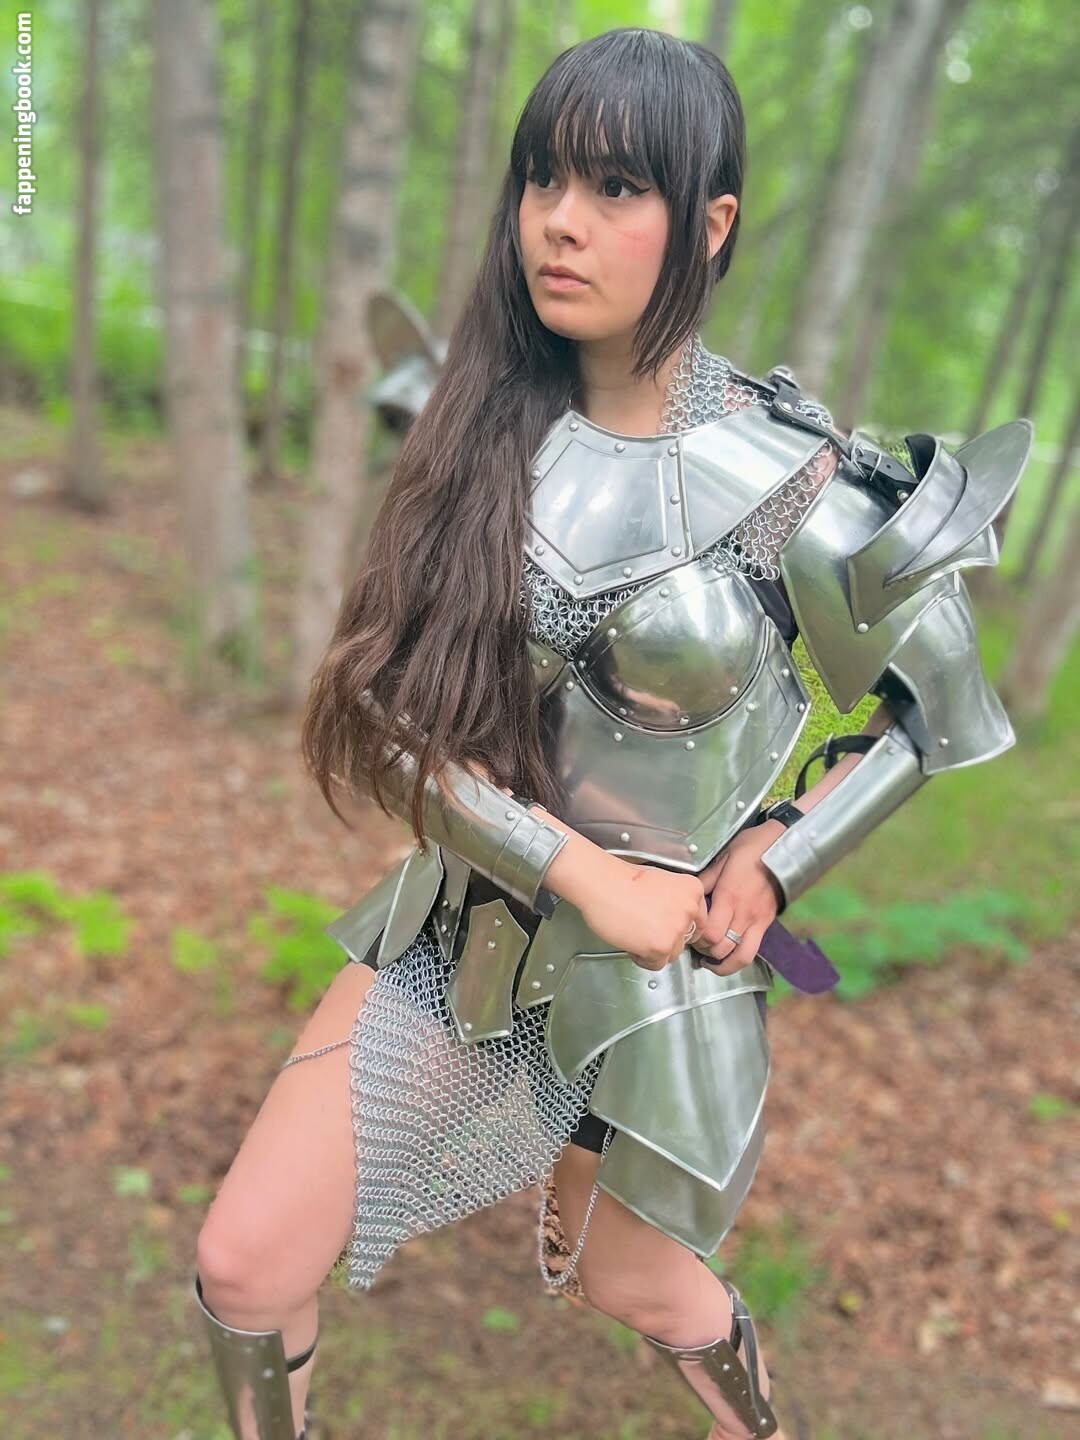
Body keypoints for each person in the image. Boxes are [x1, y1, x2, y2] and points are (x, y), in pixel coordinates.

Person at [191, 26, 1032, 1440]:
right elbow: (382, 722)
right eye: (542, 178)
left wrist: (783, 851)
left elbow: (940, 711)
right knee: (243, 1265)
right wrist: (579, 872)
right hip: (469, 929)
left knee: (628, 1276)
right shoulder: (474, 435)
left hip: (666, 982)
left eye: (616, 187)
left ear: (711, 223)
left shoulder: (795, 479)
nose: (560, 222)